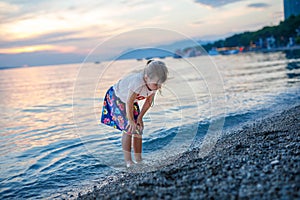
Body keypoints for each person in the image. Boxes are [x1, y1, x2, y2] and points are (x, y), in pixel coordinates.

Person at [100, 60, 169, 167]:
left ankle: (138, 159)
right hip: (116, 97)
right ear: (146, 78)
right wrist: (131, 120)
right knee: (129, 128)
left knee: (138, 128)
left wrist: (140, 118)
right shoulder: (137, 82)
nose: (158, 87)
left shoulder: (153, 85)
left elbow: (148, 102)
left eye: (160, 84)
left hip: (130, 102)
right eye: (156, 84)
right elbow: (129, 102)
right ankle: (128, 161)